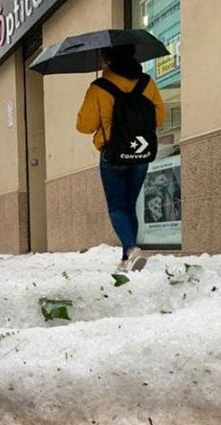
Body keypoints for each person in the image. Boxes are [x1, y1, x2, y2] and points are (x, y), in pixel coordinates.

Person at [76, 44, 165, 273]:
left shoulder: (99, 87)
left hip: (113, 155)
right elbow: (160, 116)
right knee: (128, 205)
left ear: (108, 61)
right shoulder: (147, 83)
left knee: (117, 207)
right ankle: (127, 257)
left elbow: (84, 126)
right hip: (140, 154)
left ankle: (131, 248)